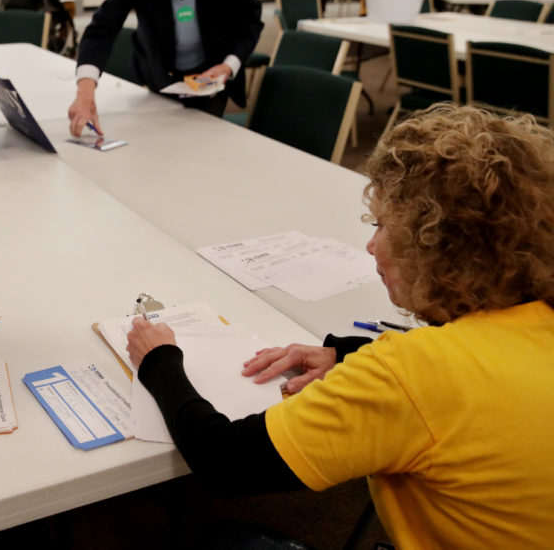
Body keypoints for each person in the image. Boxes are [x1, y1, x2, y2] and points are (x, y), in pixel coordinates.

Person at [127, 103, 554, 547]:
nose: (370, 246)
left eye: (383, 226)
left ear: (435, 246)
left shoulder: (411, 374)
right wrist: (345, 352)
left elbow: (224, 461)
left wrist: (158, 360)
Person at [68, 0, 262, 134]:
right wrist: (85, 91)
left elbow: (251, 19)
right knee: (156, 144)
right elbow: (103, 27)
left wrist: (229, 64)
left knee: (204, 145)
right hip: (158, 74)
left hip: (212, 77)